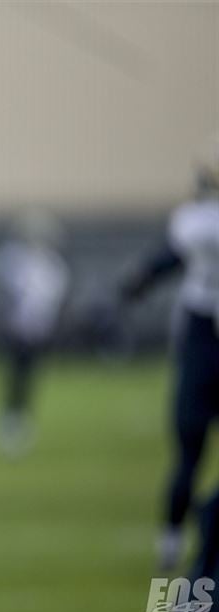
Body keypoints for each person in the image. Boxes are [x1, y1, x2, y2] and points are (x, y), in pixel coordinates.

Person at [120, 136, 219, 575]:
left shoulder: (198, 222)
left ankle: (182, 541)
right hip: (202, 336)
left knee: (188, 450)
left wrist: (137, 281)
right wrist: (136, 282)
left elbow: (171, 256)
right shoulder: (197, 221)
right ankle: (173, 538)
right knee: (188, 448)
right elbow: (171, 258)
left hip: (201, 336)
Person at [0, 210, 69, 457]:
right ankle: (9, 416)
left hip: (38, 330)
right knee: (13, 373)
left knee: (30, 375)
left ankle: (21, 417)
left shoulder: (52, 266)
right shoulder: (14, 260)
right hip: (16, 328)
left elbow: (55, 301)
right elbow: (3, 291)